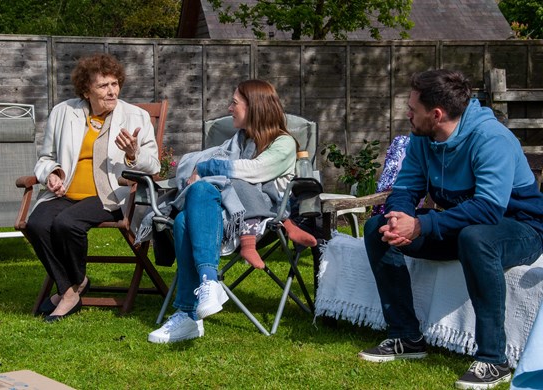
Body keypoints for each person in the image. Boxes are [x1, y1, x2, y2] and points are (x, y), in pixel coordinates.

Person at [359, 69, 543, 389]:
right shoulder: (423, 137)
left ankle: (492, 360)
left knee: (476, 238)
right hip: (467, 226)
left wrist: (421, 224)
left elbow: (488, 208)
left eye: (412, 108)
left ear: (437, 114)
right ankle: (406, 337)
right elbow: (406, 188)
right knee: (378, 227)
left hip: (522, 227)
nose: (407, 114)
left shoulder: (491, 138)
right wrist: (399, 219)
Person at [147, 79, 315, 343]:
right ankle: (206, 289)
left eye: (234, 103)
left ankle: (190, 309)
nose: (229, 108)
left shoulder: (283, 143)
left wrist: (206, 169)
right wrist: (201, 169)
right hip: (222, 213)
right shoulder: (238, 141)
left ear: (254, 107)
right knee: (183, 217)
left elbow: (253, 170)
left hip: (259, 217)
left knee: (193, 203)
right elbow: (203, 161)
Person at [25, 53, 160, 322]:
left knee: (67, 224)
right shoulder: (64, 112)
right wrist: (51, 173)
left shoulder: (136, 117)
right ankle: (73, 286)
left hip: (110, 193)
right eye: (103, 86)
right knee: (36, 224)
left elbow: (154, 166)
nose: (112, 91)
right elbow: (45, 157)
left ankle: (69, 293)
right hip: (65, 191)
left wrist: (133, 154)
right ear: (87, 91)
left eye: (115, 84)